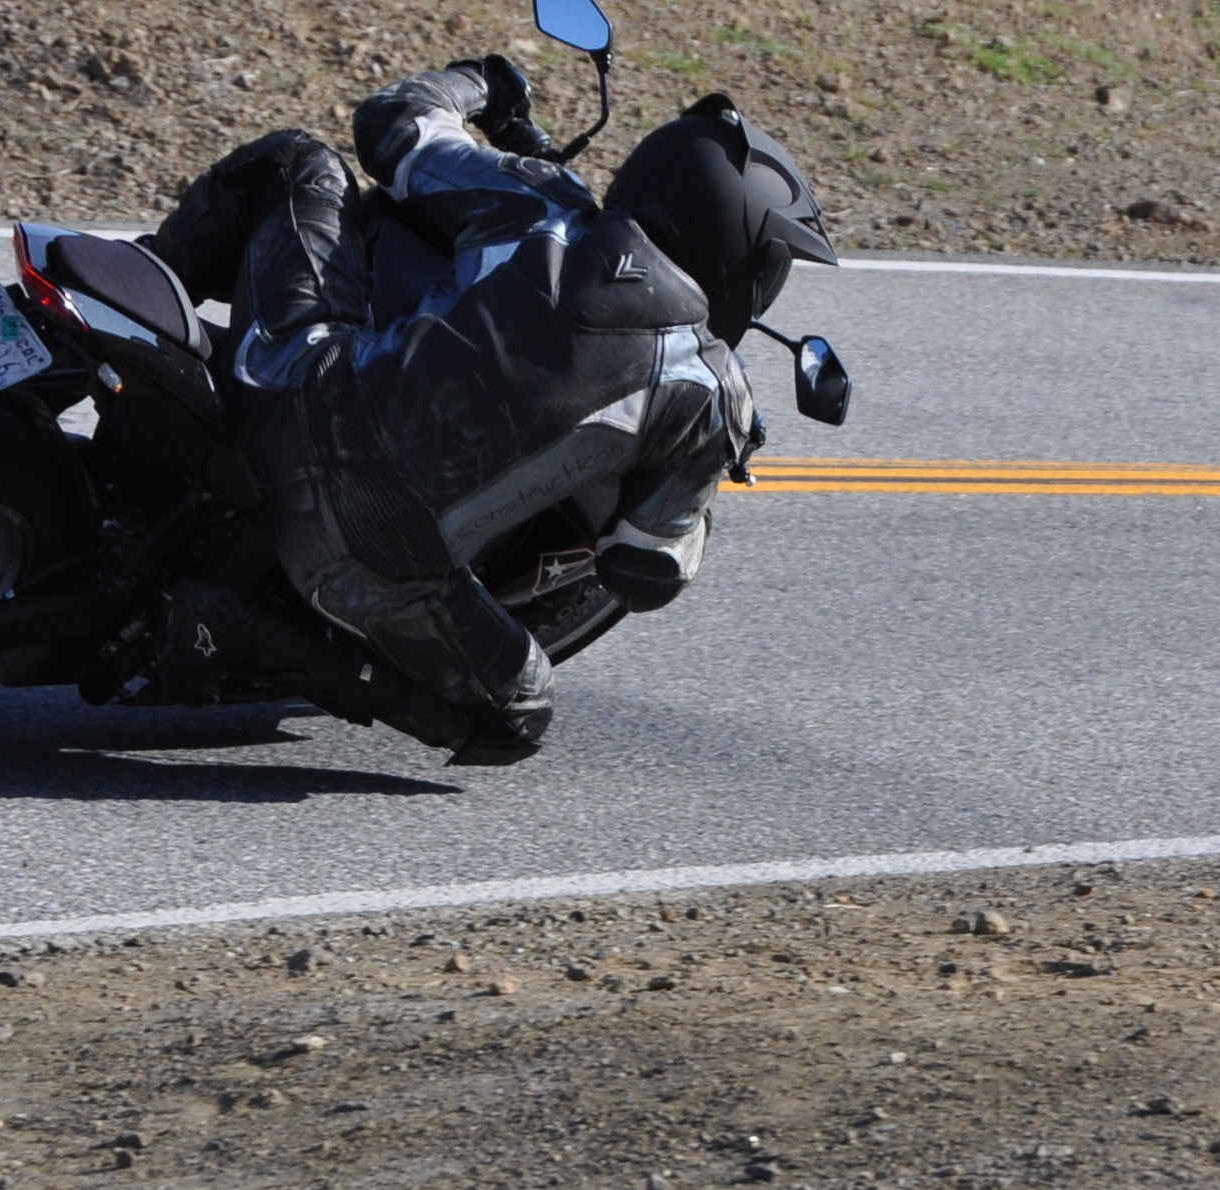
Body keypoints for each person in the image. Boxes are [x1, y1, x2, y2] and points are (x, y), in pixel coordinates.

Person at [143, 54, 836, 763]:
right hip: (370, 563)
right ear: (733, 248)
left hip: (285, 398)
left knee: (296, 162)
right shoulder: (712, 388)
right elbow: (640, 572)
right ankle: (248, 633)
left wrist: (485, 83)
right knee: (520, 711)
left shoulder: (539, 200)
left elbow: (391, 122)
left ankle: (138, 297)